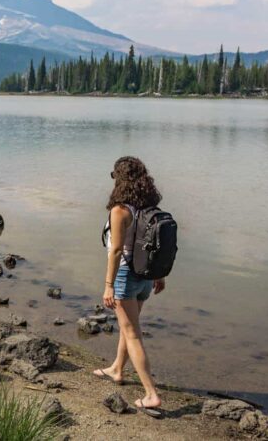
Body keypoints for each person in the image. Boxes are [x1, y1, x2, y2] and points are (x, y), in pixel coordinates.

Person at [92, 156, 165, 416]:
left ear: (119, 179)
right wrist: (159, 275)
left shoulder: (120, 209)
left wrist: (108, 285)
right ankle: (117, 369)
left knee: (132, 332)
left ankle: (151, 394)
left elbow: (115, 251)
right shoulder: (148, 205)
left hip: (124, 275)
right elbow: (155, 243)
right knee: (128, 327)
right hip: (145, 276)